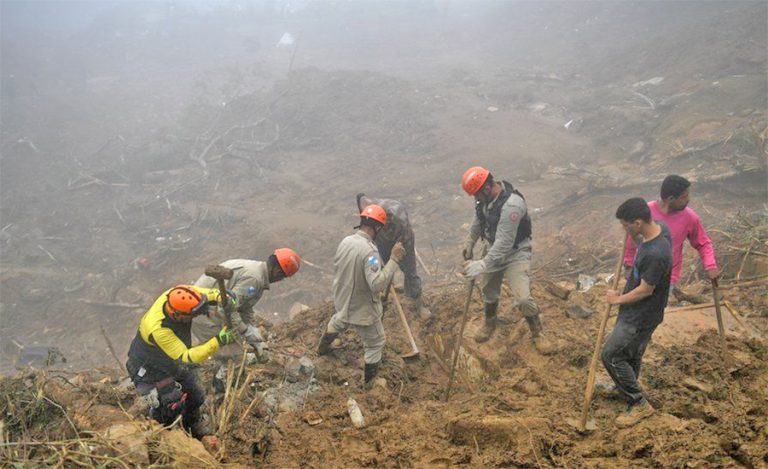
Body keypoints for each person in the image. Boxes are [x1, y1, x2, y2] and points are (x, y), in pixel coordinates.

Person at [126, 285, 236, 448]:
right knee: (170, 404)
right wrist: (218, 341)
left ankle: (192, 424)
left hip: (170, 361)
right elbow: (187, 356)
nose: (195, 316)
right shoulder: (159, 329)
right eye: (192, 314)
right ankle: (162, 437)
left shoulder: (176, 294)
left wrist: (220, 296)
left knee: (195, 393)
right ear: (177, 314)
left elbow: (202, 295)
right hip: (149, 368)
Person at [460, 166, 554, 353]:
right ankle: (490, 322)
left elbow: (504, 244)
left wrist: (482, 264)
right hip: (492, 247)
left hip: (515, 253)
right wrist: (469, 241)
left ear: (486, 188)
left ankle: (537, 333)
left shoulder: (512, 205)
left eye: (476, 195)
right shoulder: (485, 200)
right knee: (488, 289)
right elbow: (479, 219)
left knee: (523, 299)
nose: (475, 199)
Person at [317, 204, 406, 385]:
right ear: (377, 227)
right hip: (361, 308)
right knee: (375, 342)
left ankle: (322, 349)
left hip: (342, 298)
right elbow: (376, 285)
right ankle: (370, 383)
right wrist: (394, 260)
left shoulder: (346, 241)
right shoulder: (370, 252)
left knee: (339, 320)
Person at [603, 197, 672, 428]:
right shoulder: (660, 229)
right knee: (631, 354)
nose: (624, 229)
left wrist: (616, 299)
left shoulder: (657, 252)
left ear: (638, 222)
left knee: (611, 355)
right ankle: (624, 386)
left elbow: (645, 290)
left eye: (626, 225)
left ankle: (638, 402)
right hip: (639, 312)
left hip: (641, 315)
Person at [192, 249, 301, 388]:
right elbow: (226, 309)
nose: (280, 280)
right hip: (203, 312)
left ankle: (223, 369)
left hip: (209, 307)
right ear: (278, 273)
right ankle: (222, 387)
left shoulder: (257, 271)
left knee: (235, 341)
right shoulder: (254, 279)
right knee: (235, 358)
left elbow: (244, 306)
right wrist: (246, 332)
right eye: (282, 277)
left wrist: (255, 337)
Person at [623, 175, 718, 301]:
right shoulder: (646, 212)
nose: (688, 199)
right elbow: (631, 238)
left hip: (667, 277)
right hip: (640, 271)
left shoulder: (690, 218)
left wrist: (710, 265)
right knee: (634, 308)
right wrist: (628, 265)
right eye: (684, 197)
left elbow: (703, 243)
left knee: (653, 311)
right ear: (671, 198)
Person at [356, 193, 431, 319]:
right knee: (383, 266)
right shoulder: (368, 209)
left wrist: (396, 254)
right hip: (381, 236)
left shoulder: (396, 215)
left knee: (410, 271)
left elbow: (403, 240)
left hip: (402, 239)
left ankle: (417, 304)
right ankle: (386, 292)